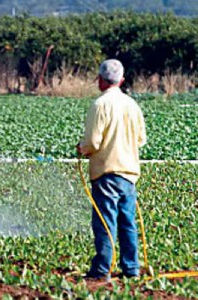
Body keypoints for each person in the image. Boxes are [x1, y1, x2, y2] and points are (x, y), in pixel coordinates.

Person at [77, 59, 147, 279]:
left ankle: (101, 270)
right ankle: (131, 269)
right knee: (127, 223)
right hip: (129, 174)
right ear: (122, 80)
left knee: (105, 223)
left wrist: (81, 148)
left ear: (100, 80)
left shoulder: (100, 105)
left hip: (107, 172)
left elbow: (92, 142)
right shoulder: (132, 105)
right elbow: (141, 139)